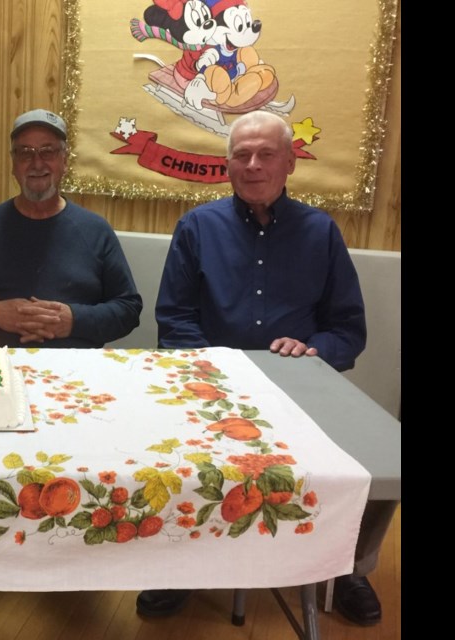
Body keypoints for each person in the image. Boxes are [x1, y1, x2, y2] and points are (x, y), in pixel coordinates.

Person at [147, 110, 391, 626]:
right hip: (213, 388)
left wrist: (314, 350)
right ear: (228, 165)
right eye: (242, 155)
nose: (253, 165)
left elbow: (347, 329)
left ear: (290, 163)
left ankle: (349, 566)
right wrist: (217, 371)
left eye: (266, 154)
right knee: (169, 457)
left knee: (370, 463)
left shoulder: (321, 232)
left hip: (302, 388)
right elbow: (173, 320)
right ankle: (179, 565)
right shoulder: (197, 227)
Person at [0, 109, 142, 347]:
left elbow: (129, 309)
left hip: (75, 372)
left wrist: (74, 320)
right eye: (25, 153)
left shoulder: (96, 231)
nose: (37, 163)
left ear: (64, 160)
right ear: (13, 164)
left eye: (48, 151)